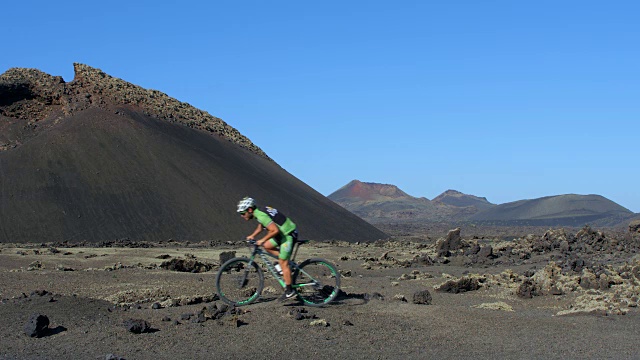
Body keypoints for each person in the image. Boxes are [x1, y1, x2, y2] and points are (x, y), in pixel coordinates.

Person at [237, 196, 299, 300]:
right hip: (282, 235)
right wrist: (253, 235)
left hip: (288, 234)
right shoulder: (259, 212)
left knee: (283, 262)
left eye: (243, 213)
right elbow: (262, 225)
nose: (242, 216)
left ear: (250, 210)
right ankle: (285, 263)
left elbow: (274, 230)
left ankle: (289, 291)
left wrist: (261, 240)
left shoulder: (261, 215)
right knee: (267, 246)